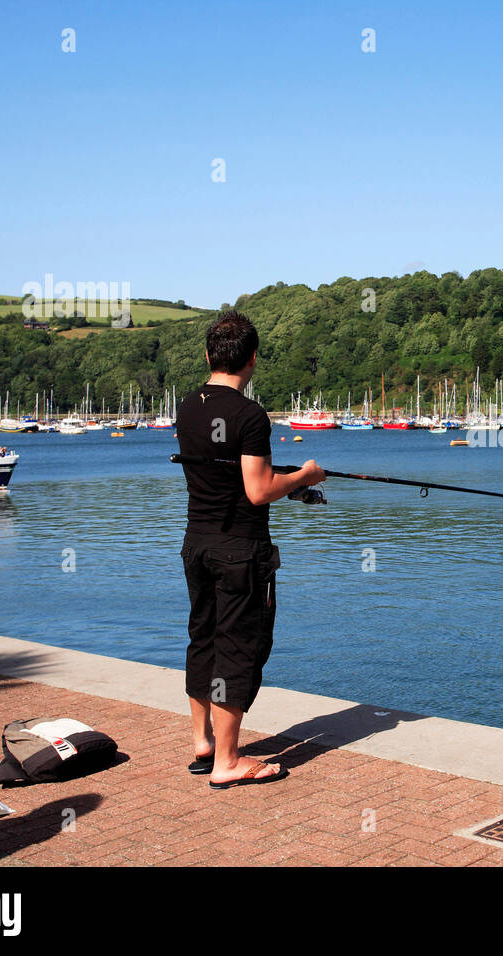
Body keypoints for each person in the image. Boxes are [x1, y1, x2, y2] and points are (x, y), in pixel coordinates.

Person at [175, 311, 325, 789]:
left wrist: (283, 481)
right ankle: (227, 762)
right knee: (238, 649)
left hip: (197, 543)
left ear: (207, 355)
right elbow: (258, 490)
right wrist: (303, 477)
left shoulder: (187, 406)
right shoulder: (250, 415)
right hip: (239, 551)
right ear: (253, 359)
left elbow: (225, 471)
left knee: (203, 639)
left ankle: (203, 743)